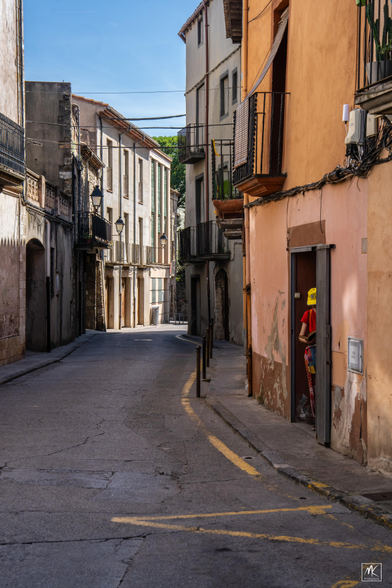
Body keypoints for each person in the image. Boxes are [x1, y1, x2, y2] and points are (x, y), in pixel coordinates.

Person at [299, 287, 317, 424]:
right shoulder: (308, 314)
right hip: (311, 352)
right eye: (312, 303)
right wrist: (308, 340)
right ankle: (315, 416)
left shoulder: (327, 311)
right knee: (313, 385)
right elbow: (301, 335)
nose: (313, 306)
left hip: (322, 351)